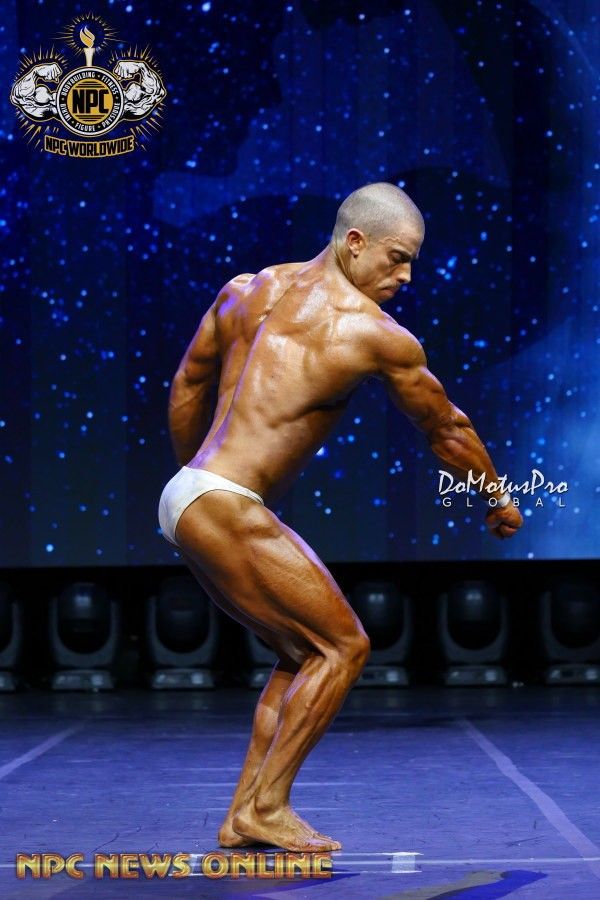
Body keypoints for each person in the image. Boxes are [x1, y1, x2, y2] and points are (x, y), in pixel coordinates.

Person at [158, 182, 523, 852]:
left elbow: (188, 384)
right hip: (222, 501)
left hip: (190, 495)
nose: (405, 276)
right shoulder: (373, 333)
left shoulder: (247, 289)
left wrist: (193, 484)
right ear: (355, 242)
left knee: (300, 653)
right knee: (344, 646)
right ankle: (269, 806)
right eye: (397, 257)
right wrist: (496, 498)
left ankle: (243, 814)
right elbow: (447, 428)